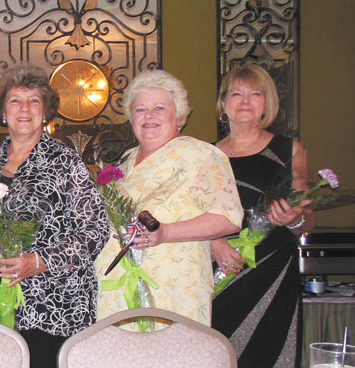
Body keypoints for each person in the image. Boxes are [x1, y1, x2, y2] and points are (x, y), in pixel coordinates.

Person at [0, 64, 110, 367]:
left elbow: (96, 230)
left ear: (45, 112)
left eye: (34, 100)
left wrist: (40, 261)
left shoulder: (65, 161)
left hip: (51, 302)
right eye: (15, 100)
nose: (24, 108)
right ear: (2, 112)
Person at [95, 69, 244, 327]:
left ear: (179, 117)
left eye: (159, 108)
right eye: (140, 109)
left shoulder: (202, 155)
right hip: (117, 291)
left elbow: (228, 218)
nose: (149, 115)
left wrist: (167, 233)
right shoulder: (124, 163)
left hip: (173, 292)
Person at [211, 64, 314, 367]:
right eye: (236, 94)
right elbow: (190, 215)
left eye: (255, 94)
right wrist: (213, 243)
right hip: (222, 269)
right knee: (218, 352)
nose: (245, 101)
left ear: (267, 103)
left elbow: (308, 219)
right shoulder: (206, 153)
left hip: (274, 272)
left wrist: (294, 219)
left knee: (268, 352)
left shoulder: (289, 150)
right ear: (223, 103)